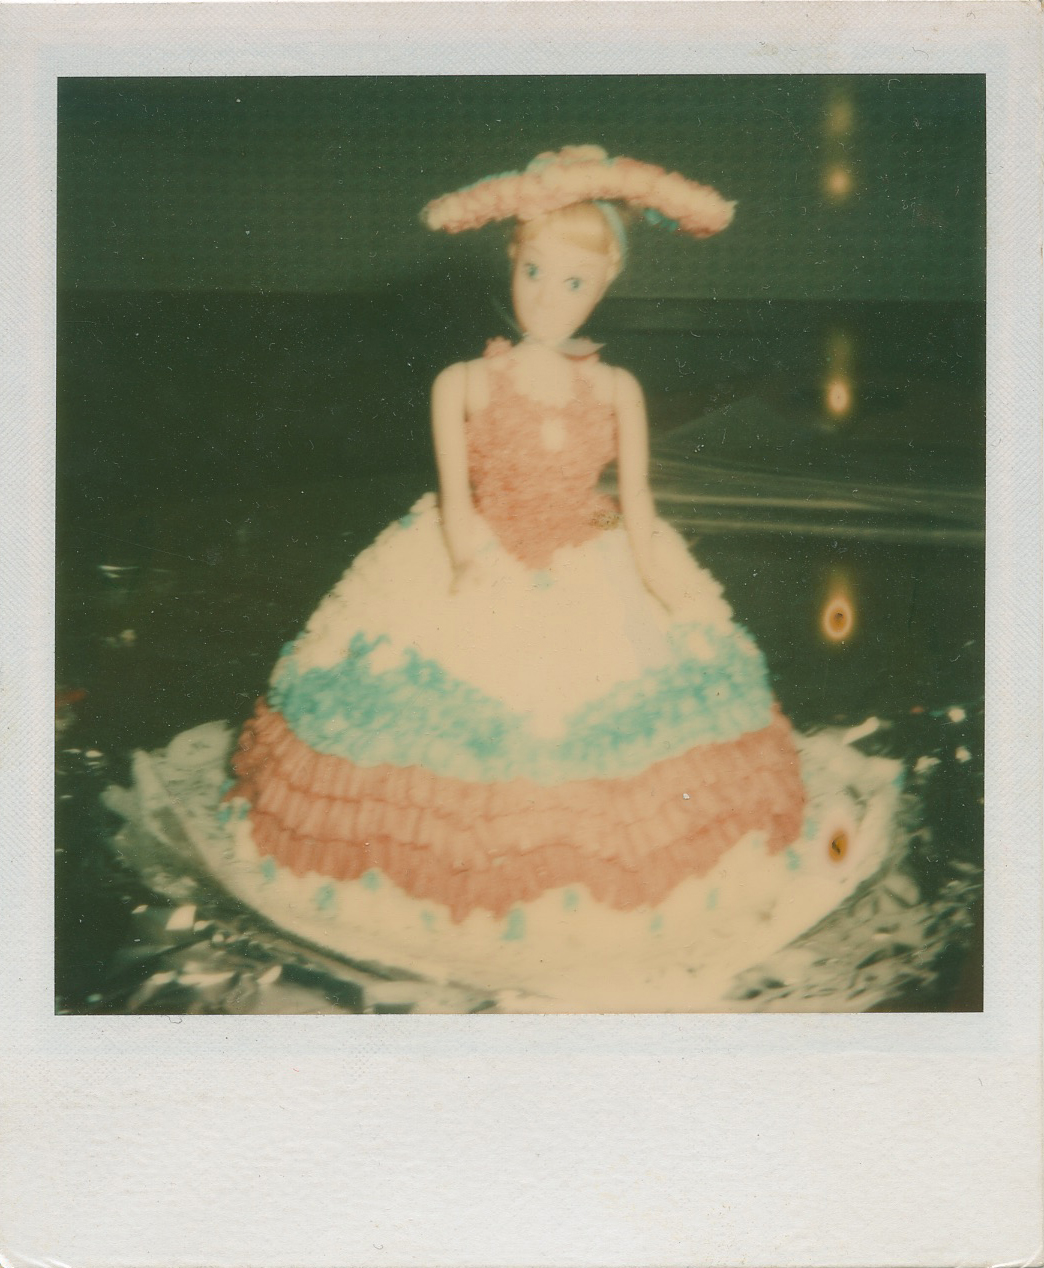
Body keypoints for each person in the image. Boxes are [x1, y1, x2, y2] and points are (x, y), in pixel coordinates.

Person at [220, 147, 895, 1001]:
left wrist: (665, 582)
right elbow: (456, 497)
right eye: (534, 271)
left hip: (591, 560)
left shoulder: (615, 389)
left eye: (573, 282)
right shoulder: (462, 382)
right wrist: (473, 566)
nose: (547, 296)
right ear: (511, 261)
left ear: (604, 286)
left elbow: (638, 503)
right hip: (477, 563)